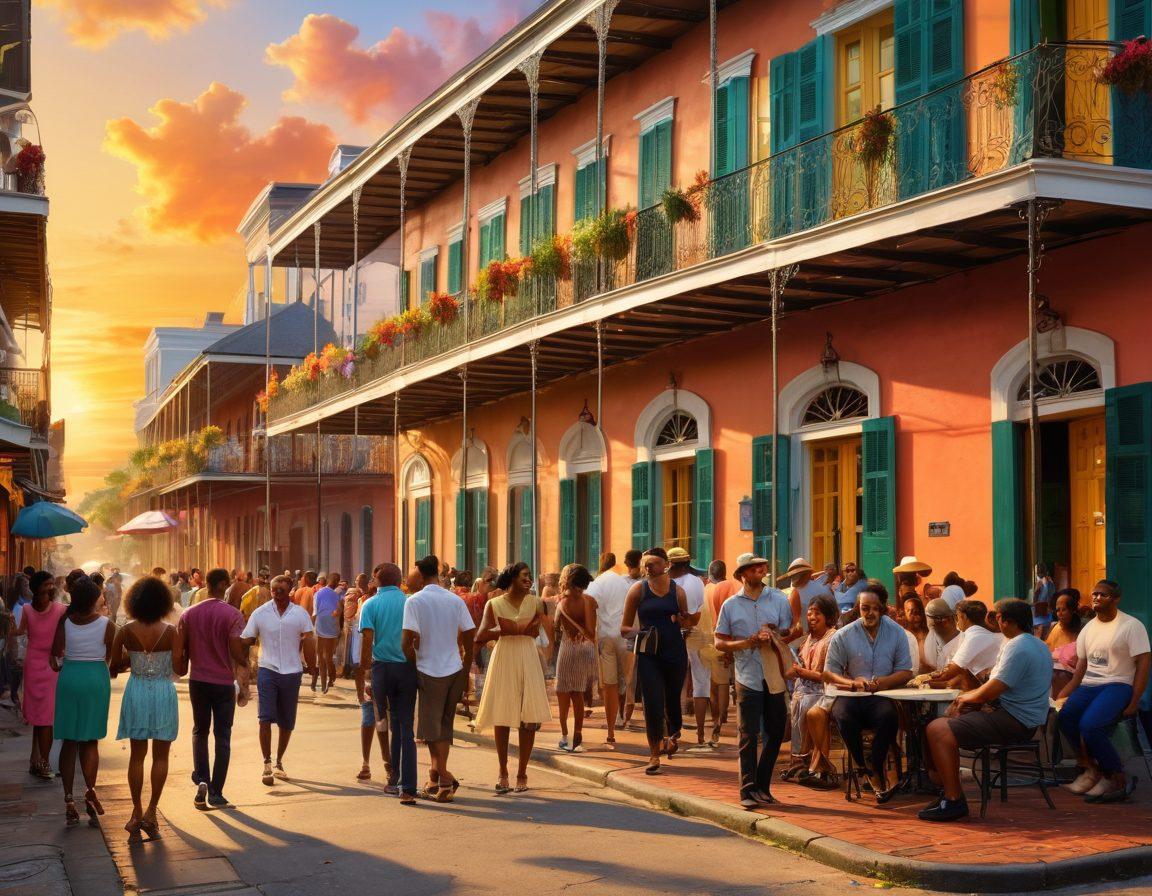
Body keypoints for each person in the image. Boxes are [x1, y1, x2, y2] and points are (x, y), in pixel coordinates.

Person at [920, 597, 1053, 821]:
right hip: (1019, 717)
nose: (994, 622)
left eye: (997, 617)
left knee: (937, 729)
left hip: (1015, 720)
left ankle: (953, 799)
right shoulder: (1037, 643)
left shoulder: (1017, 646)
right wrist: (970, 698)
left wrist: (963, 700)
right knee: (936, 725)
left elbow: (992, 690)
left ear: (1006, 621)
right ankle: (945, 787)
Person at [1058, 579, 1150, 802]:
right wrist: (1063, 694)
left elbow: (1144, 665)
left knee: (1090, 726)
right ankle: (1091, 768)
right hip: (1090, 685)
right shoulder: (1088, 628)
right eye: (1095, 594)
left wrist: (1134, 700)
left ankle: (1115, 776)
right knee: (1066, 718)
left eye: (1103, 595)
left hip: (1118, 685)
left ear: (1116, 599)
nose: (1097, 598)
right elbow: (1081, 668)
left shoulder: (1131, 626)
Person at [823, 579, 914, 803]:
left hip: (881, 695)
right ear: (858, 608)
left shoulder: (897, 633)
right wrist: (853, 682)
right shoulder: (843, 635)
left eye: (875, 608)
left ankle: (875, 760)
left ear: (882, 608)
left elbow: (905, 671)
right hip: (851, 694)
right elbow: (828, 673)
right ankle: (862, 765)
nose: (870, 613)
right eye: (865, 608)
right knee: (843, 717)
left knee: (889, 716)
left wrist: (881, 683)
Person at [713, 553, 792, 807]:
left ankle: (762, 786)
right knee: (748, 734)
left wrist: (775, 633)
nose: (760, 570)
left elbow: (788, 631)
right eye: (754, 567)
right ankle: (747, 791)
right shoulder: (730, 605)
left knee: (776, 731)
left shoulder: (779, 599)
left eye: (762, 567)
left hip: (773, 674)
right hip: (747, 674)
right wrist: (747, 642)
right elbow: (719, 642)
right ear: (742, 574)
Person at [112, 576, 186, 841]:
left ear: (134, 602)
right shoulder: (171, 631)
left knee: (136, 756)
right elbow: (180, 669)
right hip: (163, 693)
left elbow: (113, 667)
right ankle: (152, 813)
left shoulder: (125, 630)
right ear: (163, 602)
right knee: (161, 756)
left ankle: (136, 811)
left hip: (137, 691)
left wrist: (128, 660)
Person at [402, 555, 476, 801]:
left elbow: (406, 642)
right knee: (443, 727)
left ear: (421, 575)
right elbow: (469, 633)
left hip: (428, 668)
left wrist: (415, 660)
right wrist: (465, 665)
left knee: (430, 729)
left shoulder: (415, 601)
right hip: (453, 667)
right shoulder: (454, 600)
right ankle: (435, 776)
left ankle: (445, 777)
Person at [474, 562, 550, 792]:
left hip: (527, 656)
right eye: (524, 576)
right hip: (504, 656)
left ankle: (522, 773)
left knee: (528, 718)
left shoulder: (536, 602)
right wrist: (503, 630)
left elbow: (542, 630)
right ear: (512, 579)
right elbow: (480, 634)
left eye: (529, 576)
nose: (529, 580)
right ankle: (503, 771)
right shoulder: (494, 604)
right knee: (502, 714)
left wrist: (533, 630)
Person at [49, 576, 114, 827]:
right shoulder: (107, 624)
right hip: (95, 679)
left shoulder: (64, 621)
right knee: (90, 741)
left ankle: (68, 798)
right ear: (94, 598)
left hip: (70, 678)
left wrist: (64, 664)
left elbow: (55, 657)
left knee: (69, 740)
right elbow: (110, 656)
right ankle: (90, 790)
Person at [179, 568, 246, 810]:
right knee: (223, 736)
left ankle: (202, 779)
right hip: (223, 682)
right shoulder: (233, 615)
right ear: (224, 585)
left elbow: (182, 649)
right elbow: (236, 650)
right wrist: (245, 662)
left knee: (200, 731)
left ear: (207, 585)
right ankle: (216, 791)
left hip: (198, 681)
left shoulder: (189, 614)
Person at [241, 575, 317, 787]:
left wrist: (314, 669)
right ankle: (266, 763)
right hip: (268, 670)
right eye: (274, 590)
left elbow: (309, 642)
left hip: (292, 673)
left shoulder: (300, 614)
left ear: (290, 590)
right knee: (264, 718)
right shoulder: (261, 613)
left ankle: (279, 762)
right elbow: (246, 639)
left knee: (286, 721)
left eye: (281, 590)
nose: (276, 594)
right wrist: (240, 665)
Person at [622, 548, 689, 777]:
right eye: (646, 564)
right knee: (652, 702)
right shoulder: (637, 590)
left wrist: (682, 620)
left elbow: (685, 620)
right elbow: (624, 628)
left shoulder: (678, 592)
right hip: (649, 654)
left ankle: (672, 735)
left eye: (654, 563)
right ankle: (653, 755)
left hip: (675, 652)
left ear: (666, 565)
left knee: (672, 699)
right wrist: (640, 631)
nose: (649, 567)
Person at [359, 564, 411, 800]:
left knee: (381, 718)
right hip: (406, 667)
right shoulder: (409, 602)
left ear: (376, 580)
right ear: (399, 580)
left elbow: (367, 640)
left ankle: (388, 764)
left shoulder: (370, 604)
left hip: (381, 668)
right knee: (402, 722)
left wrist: (365, 672)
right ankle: (401, 775)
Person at [784, 593, 839, 789]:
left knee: (808, 705)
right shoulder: (807, 640)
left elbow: (829, 676)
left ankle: (820, 766)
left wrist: (802, 672)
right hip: (803, 690)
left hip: (825, 692)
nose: (812, 618)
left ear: (829, 616)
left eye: (817, 614)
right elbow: (796, 671)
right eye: (809, 614)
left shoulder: (832, 638)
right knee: (793, 704)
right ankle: (801, 763)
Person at [16, 571, 65, 779]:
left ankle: (37, 760)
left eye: (52, 584)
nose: (50, 587)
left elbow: (20, 632)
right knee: (42, 718)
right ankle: (42, 763)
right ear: (37, 588)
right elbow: (19, 632)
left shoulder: (60, 610)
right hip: (38, 666)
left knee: (44, 717)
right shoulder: (30, 609)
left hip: (48, 665)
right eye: (46, 584)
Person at [585, 552, 631, 748]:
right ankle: (621, 716)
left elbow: (588, 602)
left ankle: (611, 730)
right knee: (625, 680)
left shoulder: (597, 583)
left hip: (605, 635)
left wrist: (590, 628)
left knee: (609, 684)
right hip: (624, 634)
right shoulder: (624, 582)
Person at [668, 547, 710, 750]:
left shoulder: (674, 584)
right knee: (701, 683)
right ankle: (701, 733)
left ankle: (673, 730)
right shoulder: (697, 581)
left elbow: (683, 616)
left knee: (674, 684)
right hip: (700, 635)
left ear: (673, 565)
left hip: (682, 635)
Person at [553, 564, 597, 754]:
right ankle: (578, 732)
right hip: (585, 649)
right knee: (578, 694)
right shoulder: (589, 601)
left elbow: (555, 625)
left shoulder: (562, 602)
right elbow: (592, 630)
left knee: (563, 693)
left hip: (568, 648)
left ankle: (565, 736)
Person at [929, 599, 1005, 690]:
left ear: (963, 617)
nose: (957, 621)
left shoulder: (975, 635)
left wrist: (927, 679)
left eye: (957, 616)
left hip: (996, 690)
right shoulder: (978, 633)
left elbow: (953, 669)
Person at [703, 560, 739, 738]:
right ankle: (722, 718)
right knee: (723, 681)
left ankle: (716, 715)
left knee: (712, 682)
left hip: (705, 640)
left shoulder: (706, 589)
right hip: (720, 637)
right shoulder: (727, 588)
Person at [778, 558, 833, 642]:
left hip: (811, 637)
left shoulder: (795, 592)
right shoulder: (825, 585)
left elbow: (795, 627)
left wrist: (782, 642)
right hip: (831, 633)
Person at [620, 549, 645, 731]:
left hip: (627, 635)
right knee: (636, 679)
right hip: (642, 635)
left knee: (628, 680)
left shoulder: (620, 583)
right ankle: (627, 717)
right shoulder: (646, 584)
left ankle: (625, 719)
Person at [1047, 588, 1083, 697]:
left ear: (1073, 610)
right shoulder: (1054, 627)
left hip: (1073, 678)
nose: (1060, 614)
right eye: (1058, 610)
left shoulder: (1083, 629)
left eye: (1064, 609)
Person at [311, 572, 342, 693]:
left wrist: (310, 627)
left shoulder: (321, 593)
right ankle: (327, 682)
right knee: (326, 657)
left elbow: (315, 612)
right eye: (335, 580)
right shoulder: (334, 595)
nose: (336, 582)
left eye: (337, 580)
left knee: (323, 657)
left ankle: (326, 683)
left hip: (323, 627)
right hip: (327, 628)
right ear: (329, 580)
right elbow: (338, 612)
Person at [919, 597, 963, 675]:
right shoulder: (931, 635)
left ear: (946, 621)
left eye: (928, 618)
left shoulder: (963, 641)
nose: (927, 621)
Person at [902, 595, 928, 673]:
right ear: (904, 612)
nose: (915, 617)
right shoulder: (902, 633)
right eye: (911, 611)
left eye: (918, 612)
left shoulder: (927, 632)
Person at [1033, 564, 1057, 638]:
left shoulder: (1049, 583)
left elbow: (1046, 598)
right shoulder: (1039, 583)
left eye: (1040, 572)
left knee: (1044, 635)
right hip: (1039, 614)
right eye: (1038, 572)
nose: (1039, 575)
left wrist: (1045, 585)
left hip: (1045, 613)